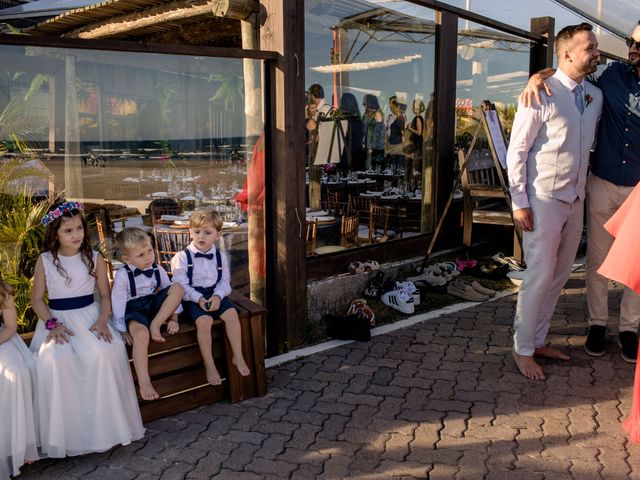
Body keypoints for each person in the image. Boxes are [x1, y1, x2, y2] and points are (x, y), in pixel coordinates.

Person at [521, 22, 640, 362]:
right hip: (600, 183)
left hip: (638, 188)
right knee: (597, 260)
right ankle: (598, 323)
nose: (631, 49)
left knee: (637, 262)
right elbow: (570, 71)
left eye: (639, 45)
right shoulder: (612, 77)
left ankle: (630, 328)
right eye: (630, 42)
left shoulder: (603, 88)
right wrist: (537, 77)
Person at [507, 23, 603, 380]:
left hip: (575, 200)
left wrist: (542, 71)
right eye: (590, 47)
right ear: (567, 53)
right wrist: (519, 201)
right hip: (542, 199)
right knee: (539, 274)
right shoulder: (540, 93)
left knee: (560, 275)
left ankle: (538, 339)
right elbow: (517, 150)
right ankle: (522, 349)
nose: (596, 52)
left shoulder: (595, 94)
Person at [29, 201, 145, 458]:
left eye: (79, 228)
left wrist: (103, 321)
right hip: (58, 318)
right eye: (68, 231)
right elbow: (37, 299)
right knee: (55, 359)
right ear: (56, 235)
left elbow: (105, 296)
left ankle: (104, 429)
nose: (76, 235)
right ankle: (68, 434)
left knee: (105, 352)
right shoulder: (46, 260)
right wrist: (52, 324)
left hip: (90, 316)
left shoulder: (94, 258)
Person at [170, 208, 250, 386]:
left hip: (215, 294)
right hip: (191, 297)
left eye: (207, 232)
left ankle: (238, 355)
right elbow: (180, 284)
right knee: (204, 321)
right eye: (197, 231)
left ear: (217, 235)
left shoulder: (220, 257)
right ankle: (209, 363)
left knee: (231, 315)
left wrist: (217, 296)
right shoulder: (181, 258)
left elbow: (224, 282)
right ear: (190, 231)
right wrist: (198, 298)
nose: (201, 236)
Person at [110, 227, 184, 400]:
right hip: (134, 310)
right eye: (141, 255)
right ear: (126, 259)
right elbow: (118, 303)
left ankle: (156, 324)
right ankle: (144, 381)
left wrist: (174, 317)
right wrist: (122, 330)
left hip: (154, 306)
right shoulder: (123, 275)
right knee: (141, 335)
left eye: (149, 250)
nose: (148, 257)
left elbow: (170, 294)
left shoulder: (157, 269)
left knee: (178, 287)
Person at [0, 274, 38, 478]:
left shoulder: (2, 290)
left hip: (3, 339)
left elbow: (10, 327)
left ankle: (20, 444)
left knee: (17, 372)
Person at [362, 93, 385, 171]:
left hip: (375, 148)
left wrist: (371, 147)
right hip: (367, 147)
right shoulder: (366, 115)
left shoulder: (377, 114)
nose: (364, 105)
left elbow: (378, 133)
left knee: (374, 170)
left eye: (365, 103)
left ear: (370, 103)